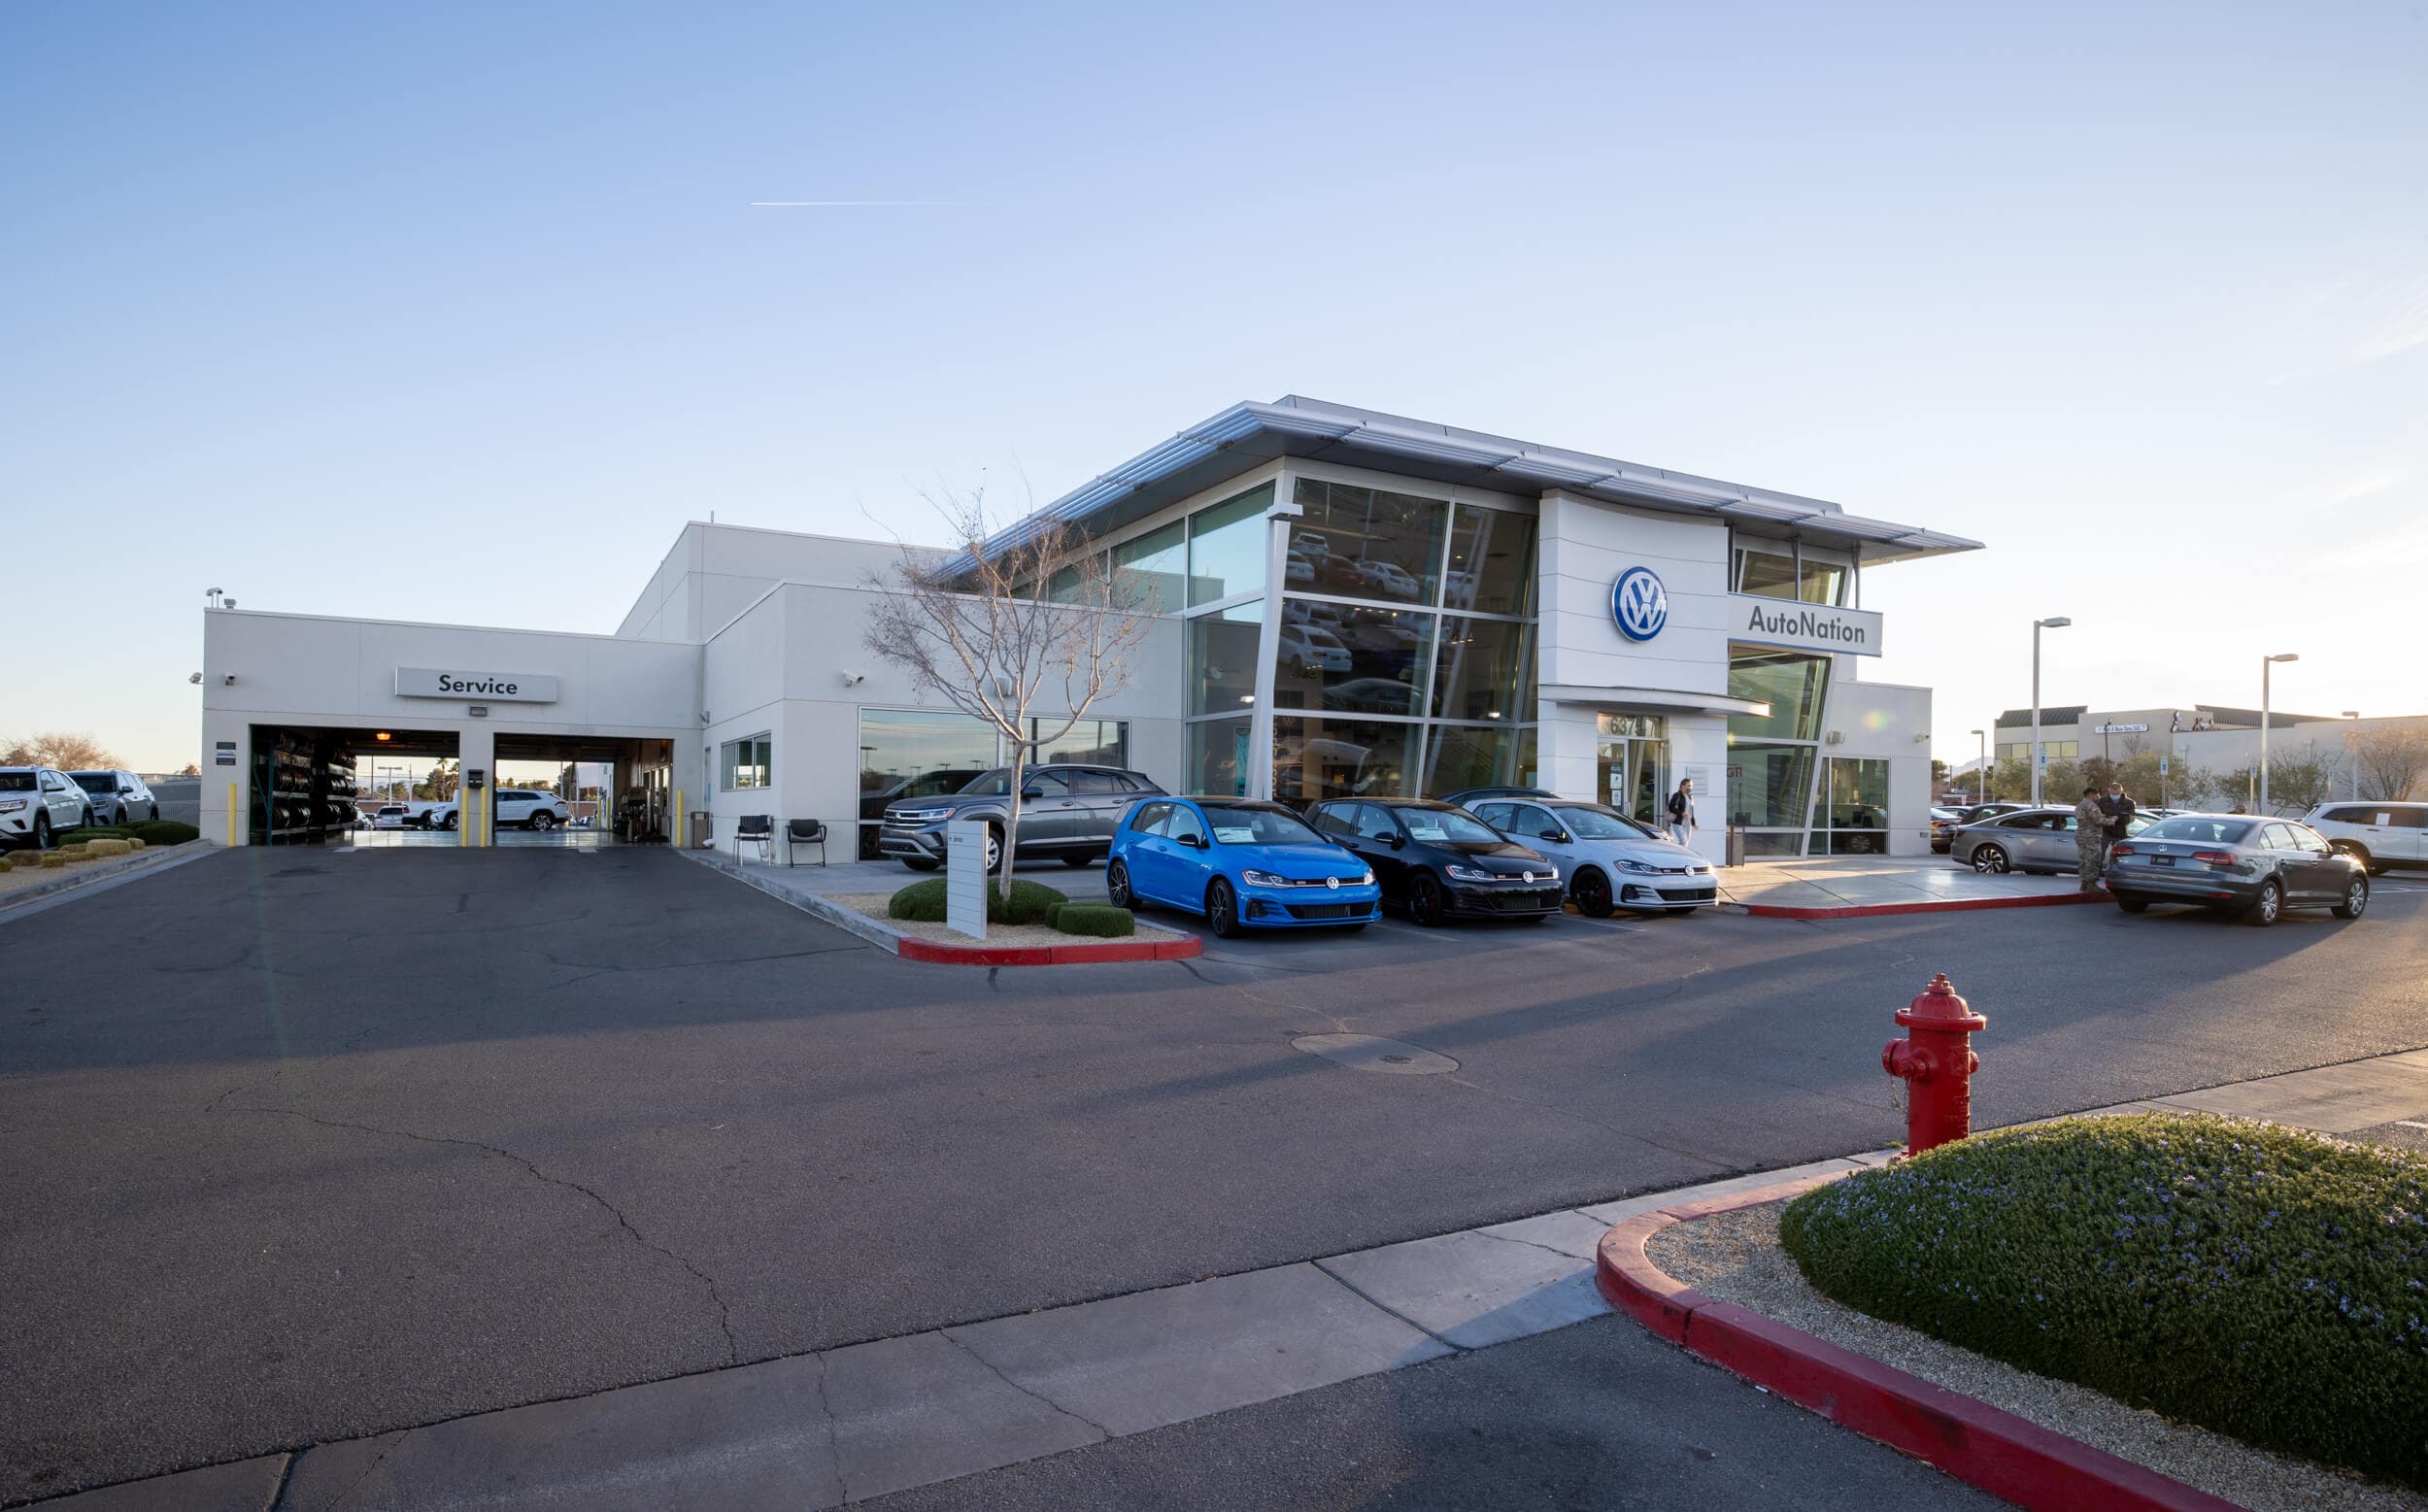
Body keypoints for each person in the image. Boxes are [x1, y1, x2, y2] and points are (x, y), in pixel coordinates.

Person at [2073, 784, 2108, 891]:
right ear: (2092, 795)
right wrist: (2113, 820)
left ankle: (2084, 883)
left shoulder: (2079, 805)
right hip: (2091, 835)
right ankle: (2091, 884)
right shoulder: (2092, 806)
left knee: (2083, 859)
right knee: (2093, 859)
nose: (2098, 797)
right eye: (2097, 795)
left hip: (2080, 835)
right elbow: (2099, 820)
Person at [2098, 780, 2137, 867]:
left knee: (2119, 856)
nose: (2115, 795)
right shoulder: (2102, 801)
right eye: (2113, 793)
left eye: (2117, 793)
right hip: (2105, 831)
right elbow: (2097, 816)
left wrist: (2118, 818)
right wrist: (2108, 819)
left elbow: (2131, 818)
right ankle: (2097, 871)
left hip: (2121, 832)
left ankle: (2115, 871)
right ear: (2109, 791)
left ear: (2121, 791)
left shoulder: (2129, 803)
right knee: (2099, 854)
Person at [1666, 778, 1697, 848]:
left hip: (1687, 823)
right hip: (1678, 822)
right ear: (1683, 785)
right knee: (1683, 842)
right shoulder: (1677, 795)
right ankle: (1674, 852)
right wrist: (1682, 813)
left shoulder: (1690, 796)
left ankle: (1679, 853)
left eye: (1691, 786)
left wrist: (1693, 823)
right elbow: (1671, 807)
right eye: (1688, 786)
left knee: (1686, 843)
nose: (1690, 788)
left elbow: (1691, 810)